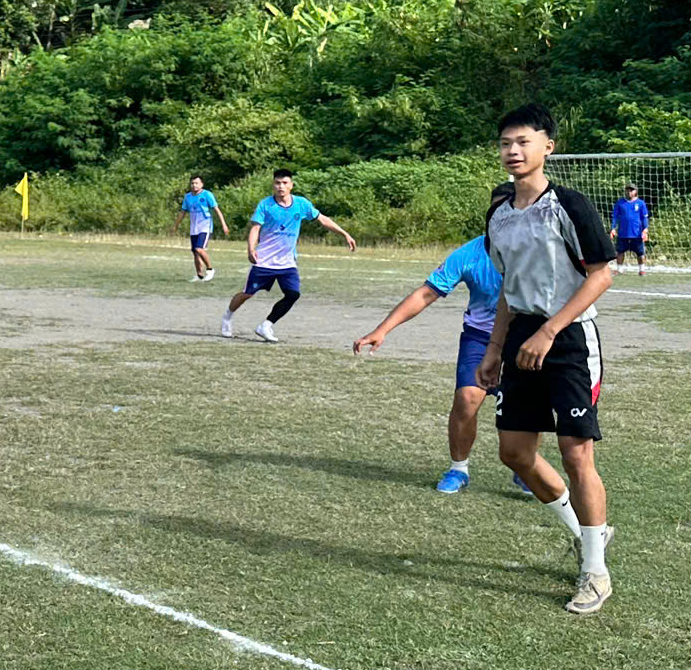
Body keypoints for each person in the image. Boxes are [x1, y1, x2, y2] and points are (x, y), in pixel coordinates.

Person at [476, 103, 619, 615]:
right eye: (505, 143)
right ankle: (586, 533)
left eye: (523, 142)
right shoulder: (498, 213)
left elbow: (602, 274)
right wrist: (495, 348)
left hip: (570, 338)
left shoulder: (570, 205)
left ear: (548, 146)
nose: (513, 151)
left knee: (576, 454)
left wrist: (551, 330)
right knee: (514, 453)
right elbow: (508, 288)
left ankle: (595, 572)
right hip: (521, 337)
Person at [352, 235, 500, 491]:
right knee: (466, 398)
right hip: (480, 337)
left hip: (524, 337)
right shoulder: (470, 254)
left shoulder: (536, 248)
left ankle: (525, 466)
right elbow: (426, 293)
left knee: (522, 406)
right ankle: (459, 469)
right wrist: (382, 330)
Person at [221, 170, 354, 342]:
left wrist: (345, 234)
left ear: (291, 185)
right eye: (277, 183)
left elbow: (322, 219)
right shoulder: (266, 205)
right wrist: (251, 249)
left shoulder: (301, 204)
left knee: (293, 294)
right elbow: (255, 228)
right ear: (273, 185)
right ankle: (227, 316)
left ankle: (266, 326)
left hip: (287, 262)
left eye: (284, 183)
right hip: (264, 261)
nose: (281, 186)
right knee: (247, 294)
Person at [177, 174, 227, 281]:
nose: (194, 185)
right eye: (192, 183)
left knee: (199, 249)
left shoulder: (207, 195)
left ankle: (210, 269)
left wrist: (224, 224)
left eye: (196, 183)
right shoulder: (187, 197)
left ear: (202, 184)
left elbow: (217, 210)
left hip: (205, 226)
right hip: (194, 227)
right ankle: (199, 275)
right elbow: (183, 212)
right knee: (195, 252)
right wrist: (176, 225)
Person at [610, 182, 650, 276]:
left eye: (631, 190)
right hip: (622, 233)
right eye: (627, 190)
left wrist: (645, 229)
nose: (629, 192)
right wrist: (613, 228)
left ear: (635, 191)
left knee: (640, 252)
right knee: (620, 251)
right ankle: (619, 269)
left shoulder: (640, 203)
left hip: (636, 233)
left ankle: (642, 269)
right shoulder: (620, 203)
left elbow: (644, 218)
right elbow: (615, 216)